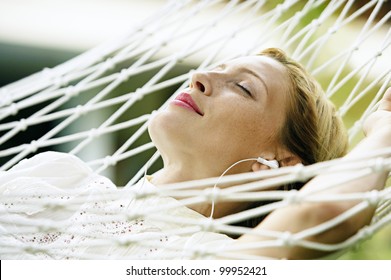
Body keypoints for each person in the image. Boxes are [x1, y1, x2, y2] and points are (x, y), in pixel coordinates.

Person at [0, 48, 390, 259]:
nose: (199, 78)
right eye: (216, 68)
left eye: (242, 87)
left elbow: (323, 214)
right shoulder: (58, 176)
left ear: (277, 164)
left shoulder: (214, 261)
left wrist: (383, 133)